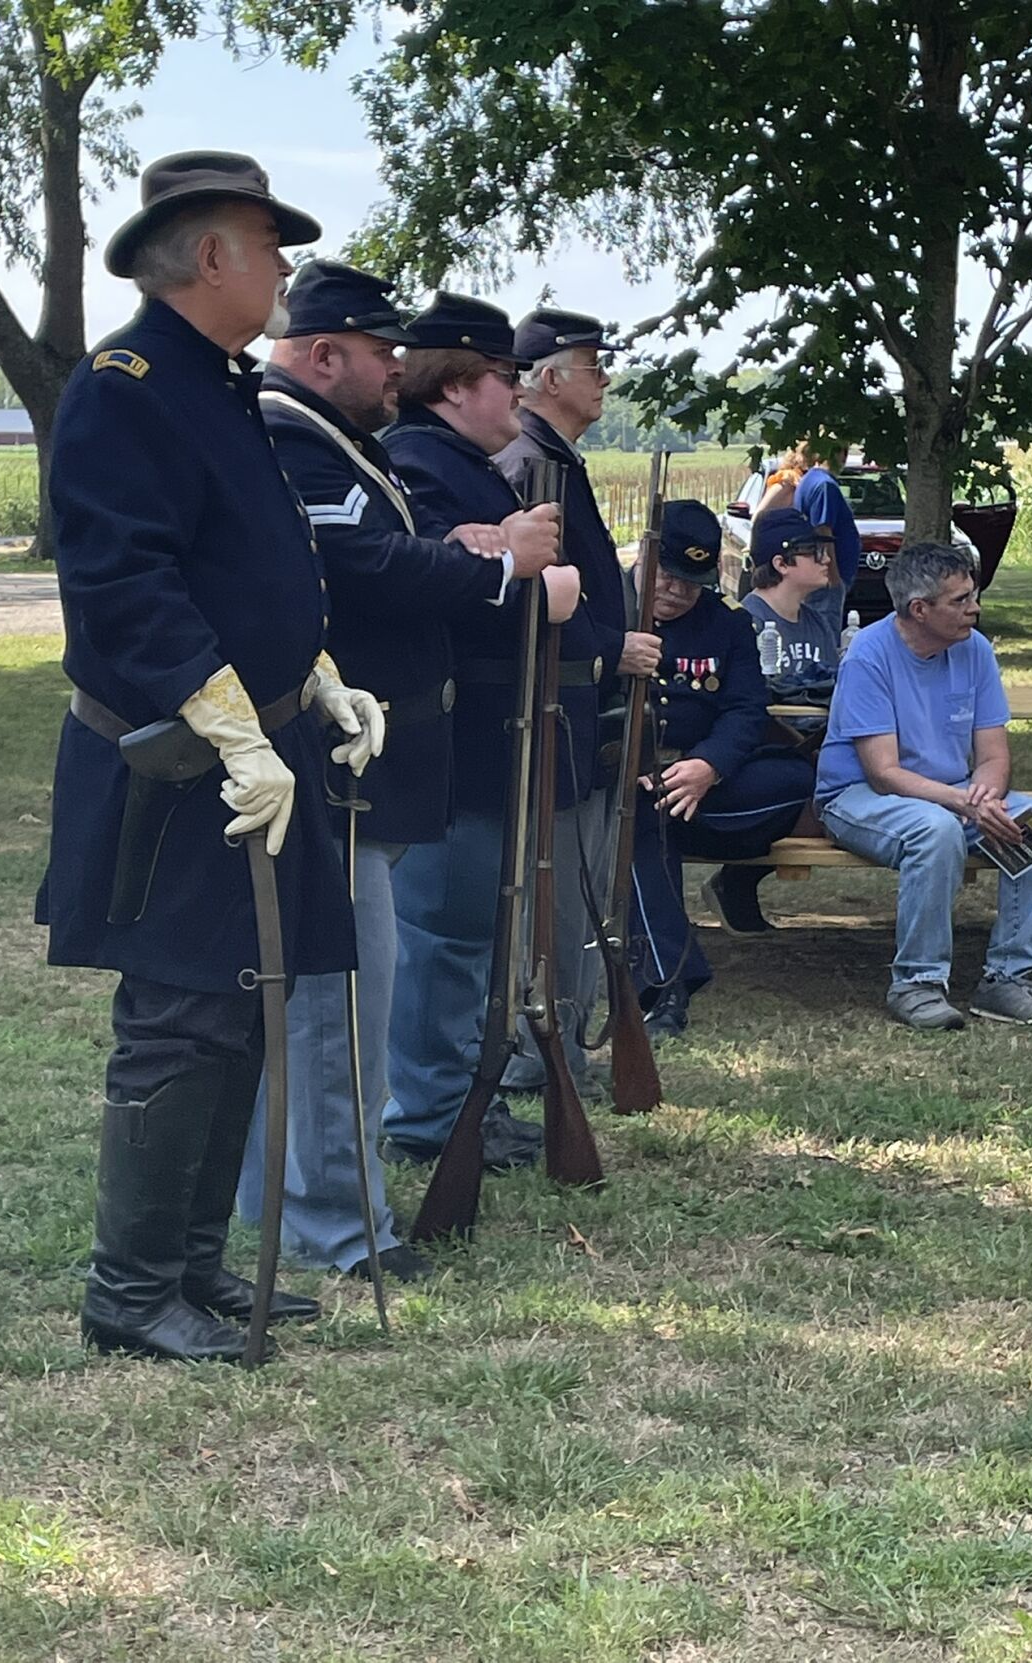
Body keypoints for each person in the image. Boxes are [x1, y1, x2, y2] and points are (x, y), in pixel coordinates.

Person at [37, 152, 384, 1365]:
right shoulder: (127, 386)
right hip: (185, 760)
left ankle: (190, 1266)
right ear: (211, 255)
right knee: (181, 1012)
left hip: (259, 740)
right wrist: (234, 722)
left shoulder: (217, 386)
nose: (284, 266)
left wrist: (315, 681)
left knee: (242, 1005)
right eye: (267, 242)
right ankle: (130, 1290)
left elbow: (246, 564)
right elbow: (126, 584)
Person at [236, 261, 559, 1281]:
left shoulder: (323, 433)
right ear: (323, 351)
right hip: (338, 764)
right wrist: (496, 561)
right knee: (340, 1008)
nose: (398, 369)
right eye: (381, 351)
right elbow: (358, 569)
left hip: (357, 763)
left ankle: (283, 1201)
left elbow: (372, 546)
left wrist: (446, 541)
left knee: (333, 1002)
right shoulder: (292, 430)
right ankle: (339, 1228)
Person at [377, 293, 586, 1168]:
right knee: (445, 933)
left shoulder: (453, 460)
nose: (515, 393)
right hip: (455, 739)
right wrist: (534, 583)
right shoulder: (421, 464)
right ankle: (429, 1116)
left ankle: (456, 1097)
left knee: (467, 936)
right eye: (504, 377)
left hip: (488, 733)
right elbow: (442, 592)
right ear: (460, 384)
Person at [493, 308, 662, 1094]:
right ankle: (545, 1049)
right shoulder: (533, 466)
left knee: (586, 887)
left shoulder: (556, 460)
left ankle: (562, 1041)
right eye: (591, 365)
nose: (603, 380)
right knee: (556, 897)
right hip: (554, 710)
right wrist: (608, 647)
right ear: (550, 377)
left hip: (582, 713)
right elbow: (537, 604)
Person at [817, 541, 1032, 1031]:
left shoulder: (976, 650)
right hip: (859, 797)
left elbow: (993, 755)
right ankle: (917, 983)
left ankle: (1008, 979)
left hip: (951, 796)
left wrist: (984, 798)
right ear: (919, 609)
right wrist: (963, 805)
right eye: (961, 600)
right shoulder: (868, 656)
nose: (975, 608)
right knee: (935, 830)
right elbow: (883, 772)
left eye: (973, 596)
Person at [629, 501, 815, 1037]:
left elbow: (745, 709)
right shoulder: (605, 611)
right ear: (645, 555)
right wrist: (635, 764)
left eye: (691, 583)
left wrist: (707, 765)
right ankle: (667, 986)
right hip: (632, 783)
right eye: (667, 575)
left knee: (794, 779)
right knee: (642, 819)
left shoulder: (727, 626)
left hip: (712, 784)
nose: (676, 592)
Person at [739, 508, 841, 686]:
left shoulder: (818, 623)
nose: (826, 560)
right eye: (814, 552)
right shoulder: (746, 622)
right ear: (781, 564)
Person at [793, 436, 860, 616]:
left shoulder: (809, 479)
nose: (844, 457)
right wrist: (832, 576)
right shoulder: (825, 486)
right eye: (841, 451)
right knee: (826, 631)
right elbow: (823, 531)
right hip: (825, 578)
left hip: (814, 573)